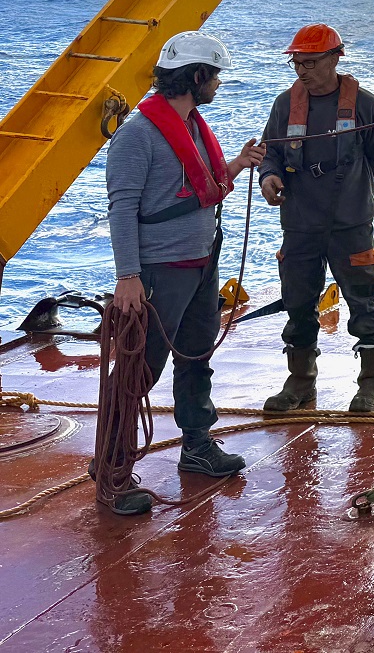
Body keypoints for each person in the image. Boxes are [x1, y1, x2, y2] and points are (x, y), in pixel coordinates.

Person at [102, 31, 266, 514]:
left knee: (196, 354)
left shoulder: (191, 126)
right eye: (214, 76)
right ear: (196, 76)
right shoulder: (137, 135)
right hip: (160, 270)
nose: (218, 84)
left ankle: (197, 445)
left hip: (201, 262)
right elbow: (121, 207)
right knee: (140, 367)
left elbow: (198, 187)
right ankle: (111, 467)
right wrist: (128, 275)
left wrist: (237, 164)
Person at [257, 24, 374, 414]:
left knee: (363, 301)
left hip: (351, 224)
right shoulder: (285, 105)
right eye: (297, 64)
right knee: (298, 301)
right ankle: (300, 381)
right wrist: (269, 177)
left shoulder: (365, 105)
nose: (303, 71)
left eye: (311, 63)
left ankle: (371, 385)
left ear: (335, 58)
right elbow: (271, 152)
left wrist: (348, 188)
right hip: (299, 223)